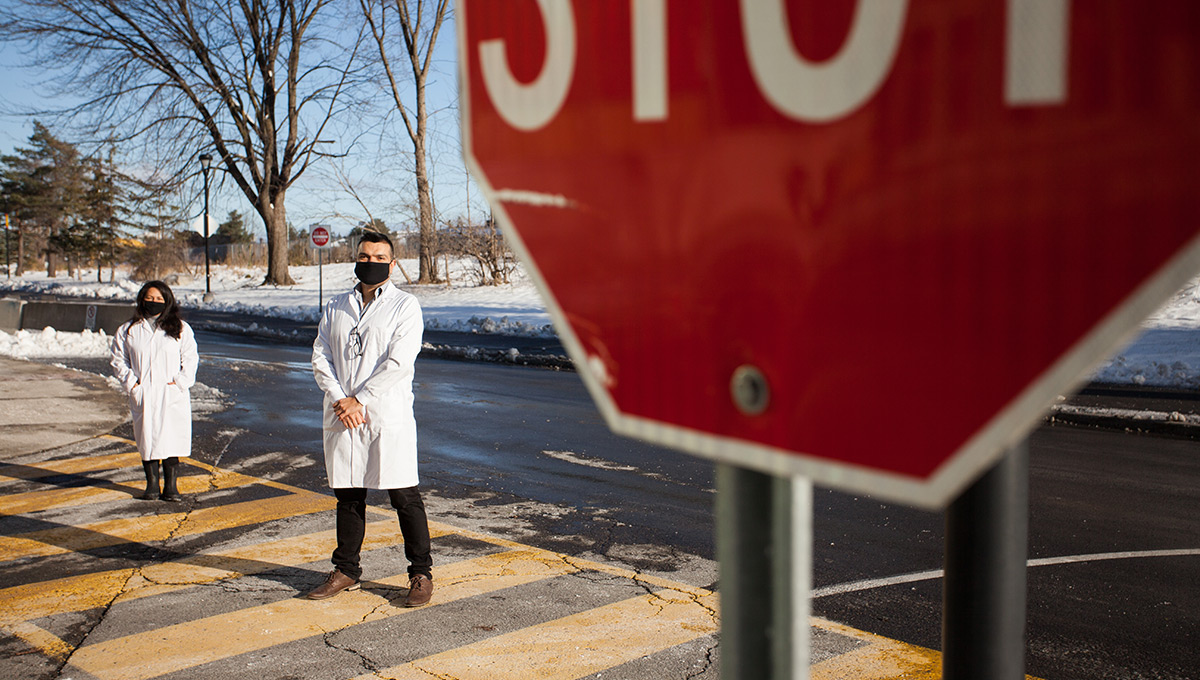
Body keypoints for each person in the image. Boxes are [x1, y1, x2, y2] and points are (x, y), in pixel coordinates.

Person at [308, 230, 433, 606]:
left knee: (404, 496)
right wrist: (339, 398)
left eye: (380, 258)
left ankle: (421, 573)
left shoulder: (405, 306)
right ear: (355, 260)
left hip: (385, 415)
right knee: (348, 496)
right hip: (343, 414)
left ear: (393, 264)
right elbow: (320, 356)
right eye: (366, 256)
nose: (372, 262)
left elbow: (399, 361)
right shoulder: (335, 306)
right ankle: (346, 569)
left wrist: (359, 399)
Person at [110, 280, 199, 502]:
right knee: (147, 439)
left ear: (167, 301)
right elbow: (118, 360)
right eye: (150, 298)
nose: (154, 302)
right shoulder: (128, 330)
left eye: (159, 299)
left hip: (171, 392)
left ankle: (171, 487)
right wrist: (132, 384)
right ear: (142, 299)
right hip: (144, 392)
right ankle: (151, 485)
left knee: (171, 438)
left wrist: (180, 383)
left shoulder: (179, 328)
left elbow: (190, 358)